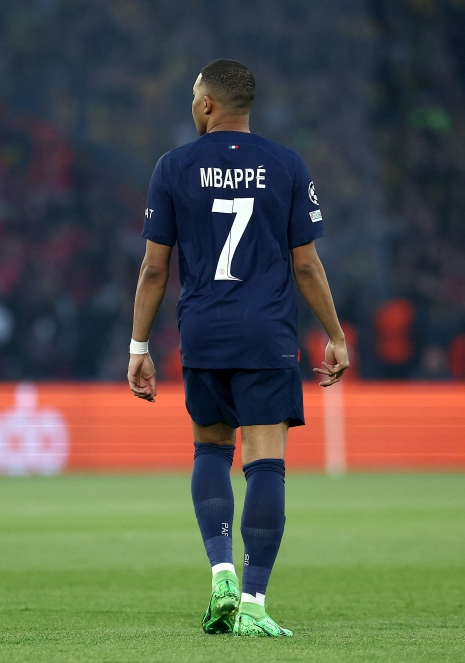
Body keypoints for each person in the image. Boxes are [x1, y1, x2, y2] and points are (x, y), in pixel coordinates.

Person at [127, 59, 349, 637]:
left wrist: (138, 345)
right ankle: (253, 602)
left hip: (203, 332)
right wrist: (335, 333)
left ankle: (221, 569)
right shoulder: (287, 165)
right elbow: (305, 264)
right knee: (265, 459)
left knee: (210, 451)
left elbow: (154, 270)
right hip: (267, 335)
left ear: (206, 105)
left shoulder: (173, 167)